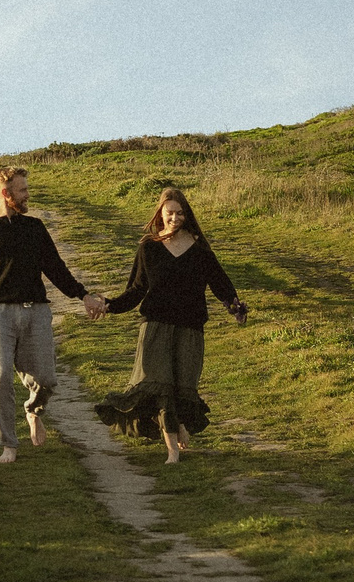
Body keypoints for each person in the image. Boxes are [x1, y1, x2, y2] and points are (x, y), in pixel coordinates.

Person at [0, 165, 105, 463]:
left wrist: (82, 294)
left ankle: (34, 411)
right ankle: (9, 443)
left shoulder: (34, 228)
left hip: (36, 312)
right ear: (6, 194)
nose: (27, 195)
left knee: (46, 378)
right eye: (22, 191)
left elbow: (56, 268)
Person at [91, 186, 246, 464]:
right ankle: (172, 450)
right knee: (160, 388)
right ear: (160, 214)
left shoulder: (199, 248)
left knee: (181, 388)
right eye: (170, 213)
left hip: (190, 327)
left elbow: (220, 282)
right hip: (156, 328)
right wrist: (110, 305)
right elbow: (136, 289)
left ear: (186, 215)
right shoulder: (149, 248)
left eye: (180, 213)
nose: (175, 218)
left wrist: (234, 307)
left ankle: (179, 426)